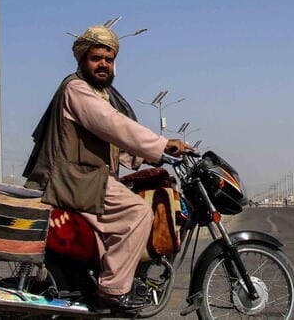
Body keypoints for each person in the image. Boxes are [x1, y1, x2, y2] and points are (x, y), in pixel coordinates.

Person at [23, 25, 193, 311]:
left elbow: (116, 144)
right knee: (138, 213)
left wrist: (151, 156)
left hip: (89, 177)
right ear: (81, 60)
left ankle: (102, 278)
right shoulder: (77, 89)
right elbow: (113, 125)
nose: (103, 64)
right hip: (74, 178)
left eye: (109, 59)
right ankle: (113, 290)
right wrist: (161, 145)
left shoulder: (101, 94)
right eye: (96, 58)